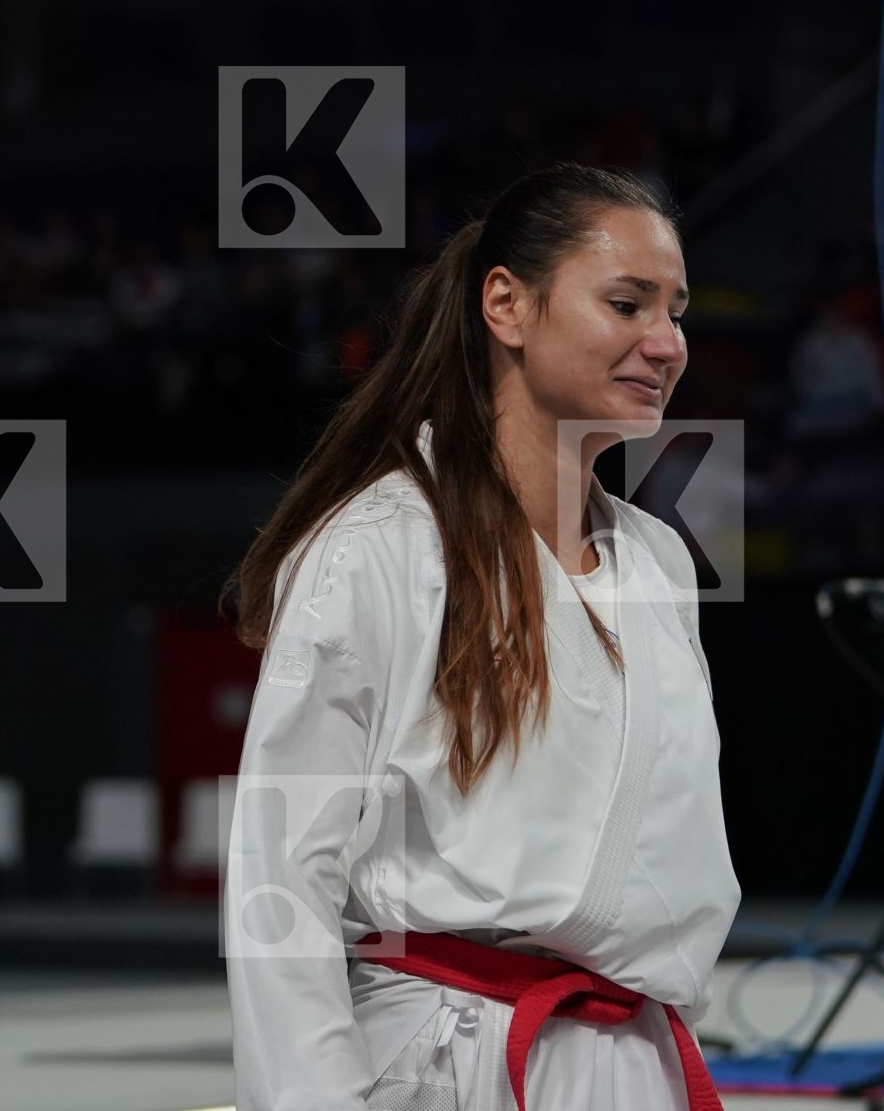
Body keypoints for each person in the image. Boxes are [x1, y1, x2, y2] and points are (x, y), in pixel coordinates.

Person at [222, 162, 740, 1110]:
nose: (665, 344)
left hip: (633, 1058)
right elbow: (281, 875)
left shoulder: (659, 561)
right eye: (627, 304)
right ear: (506, 303)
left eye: (676, 312)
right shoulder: (379, 549)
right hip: (449, 1056)